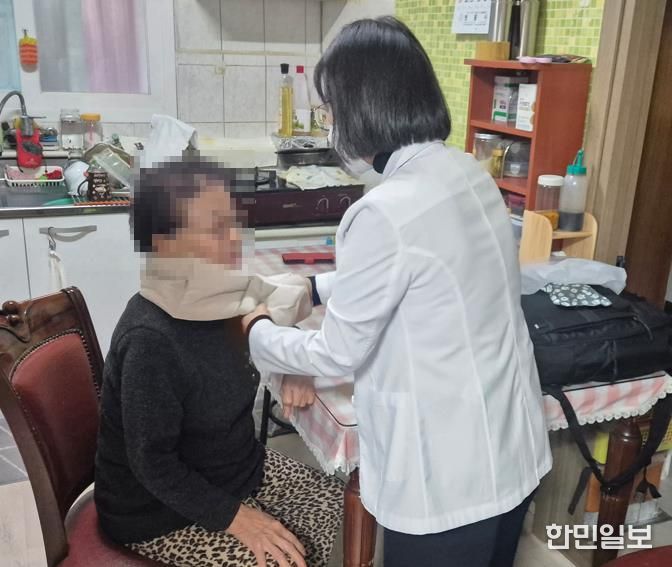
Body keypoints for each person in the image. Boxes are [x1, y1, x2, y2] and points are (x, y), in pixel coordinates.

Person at [242, 17, 552, 567]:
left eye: (332, 110)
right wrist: (315, 288)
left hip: (447, 481)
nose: (332, 124)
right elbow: (429, 274)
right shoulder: (467, 172)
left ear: (363, 107)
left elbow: (336, 353)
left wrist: (257, 331)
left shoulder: (383, 211)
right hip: (512, 447)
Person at [94, 160, 343, 567]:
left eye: (233, 222)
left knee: (334, 502)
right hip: (159, 514)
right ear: (165, 244)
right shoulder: (150, 340)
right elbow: (153, 465)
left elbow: (264, 314)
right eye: (216, 228)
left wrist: (293, 362)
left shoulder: (221, 296)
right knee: (285, 558)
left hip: (236, 471)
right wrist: (238, 519)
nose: (234, 238)